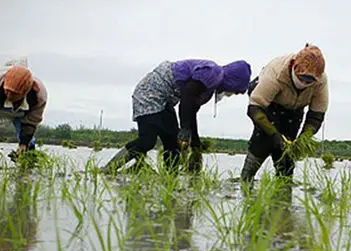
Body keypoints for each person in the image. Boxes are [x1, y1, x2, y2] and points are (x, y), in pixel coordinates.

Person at [101, 58, 251, 173]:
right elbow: (186, 97)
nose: (231, 93)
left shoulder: (209, 89)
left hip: (165, 100)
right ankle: (109, 169)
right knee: (147, 141)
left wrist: (195, 143)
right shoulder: (214, 73)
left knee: (173, 143)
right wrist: (185, 129)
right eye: (235, 90)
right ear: (233, 81)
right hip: (151, 92)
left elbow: (190, 112)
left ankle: (169, 178)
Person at [240, 44, 329, 184]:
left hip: (294, 108)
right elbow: (254, 108)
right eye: (302, 78)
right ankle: (246, 180)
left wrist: (303, 139)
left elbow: (316, 115)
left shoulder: (320, 81)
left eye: (309, 81)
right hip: (266, 104)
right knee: (263, 141)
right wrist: (274, 135)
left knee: (286, 154)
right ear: (294, 67)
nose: (304, 83)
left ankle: (284, 190)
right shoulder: (275, 73)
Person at [0, 64, 48, 161]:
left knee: (27, 142)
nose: (9, 96)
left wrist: (23, 144)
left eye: (14, 93)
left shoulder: (39, 96)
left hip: (23, 113)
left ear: (24, 92)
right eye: (7, 91)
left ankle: (28, 161)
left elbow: (31, 122)